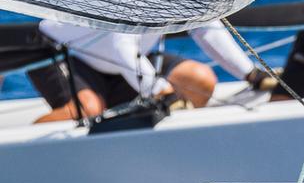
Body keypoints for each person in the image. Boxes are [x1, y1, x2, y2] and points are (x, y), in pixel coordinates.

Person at [29, 20, 267, 123]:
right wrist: (160, 91)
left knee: (199, 81)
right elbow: (119, 43)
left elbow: (206, 27)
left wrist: (252, 74)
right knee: (88, 110)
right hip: (65, 52)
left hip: (128, 60)